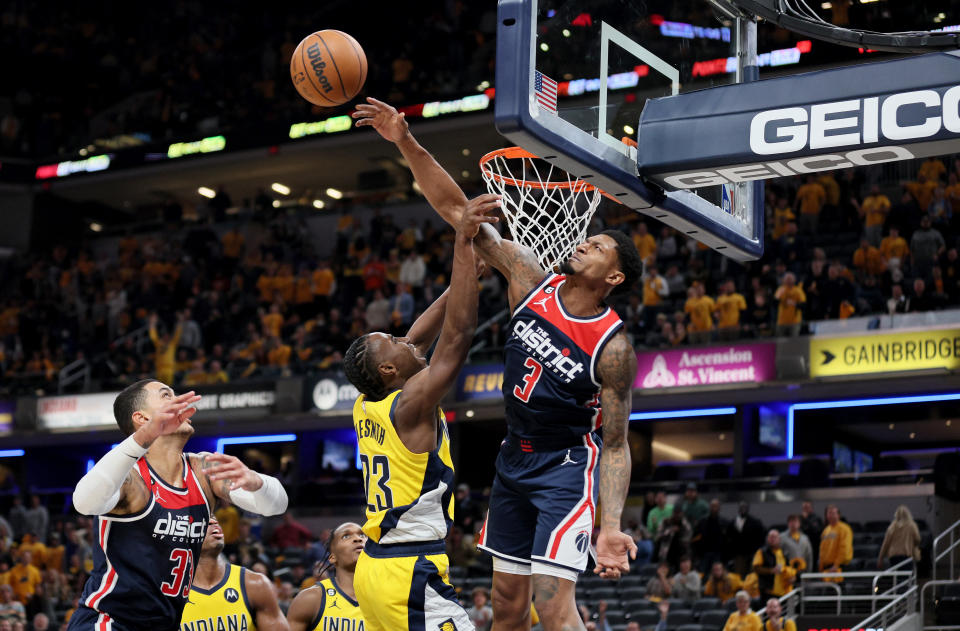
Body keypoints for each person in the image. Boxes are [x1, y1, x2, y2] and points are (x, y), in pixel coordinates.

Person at [356, 97, 641, 630]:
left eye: (598, 246)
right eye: (589, 237)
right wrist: (404, 140)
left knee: (553, 610)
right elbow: (458, 213)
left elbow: (618, 443)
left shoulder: (613, 345)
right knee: (507, 610)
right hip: (512, 461)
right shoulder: (530, 278)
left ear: (614, 277)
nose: (584, 242)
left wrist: (611, 525)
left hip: (564, 467)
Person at [344, 199, 487, 631]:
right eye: (392, 340)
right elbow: (458, 338)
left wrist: (456, 285)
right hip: (408, 570)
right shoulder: (409, 407)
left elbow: (416, 342)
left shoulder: (368, 402)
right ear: (388, 370)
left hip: (376, 569)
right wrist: (462, 245)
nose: (404, 340)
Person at [68, 381, 288, 631]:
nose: (182, 403)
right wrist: (143, 437)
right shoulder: (129, 476)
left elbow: (276, 505)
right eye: (166, 396)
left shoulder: (203, 470)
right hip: (109, 622)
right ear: (141, 418)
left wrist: (257, 482)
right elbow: (84, 502)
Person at [180, 518, 287, 631]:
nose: (213, 521)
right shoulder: (166, 595)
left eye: (213, 517)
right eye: (202, 517)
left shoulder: (255, 584)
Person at [286, 522, 367, 631]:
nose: (358, 539)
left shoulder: (387, 597)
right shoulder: (311, 599)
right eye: (346, 536)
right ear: (332, 557)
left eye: (362, 535)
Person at [751, 530, 795, 601]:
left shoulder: (784, 553)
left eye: (775, 537)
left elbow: (789, 569)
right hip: (768, 591)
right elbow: (756, 568)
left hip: (783, 592)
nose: (772, 539)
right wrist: (771, 571)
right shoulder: (762, 552)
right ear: (767, 539)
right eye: (770, 537)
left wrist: (792, 577)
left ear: (779, 539)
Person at [877, 505, 921, 571]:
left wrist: (880, 558)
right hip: (906, 554)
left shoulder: (892, 527)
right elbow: (917, 540)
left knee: (896, 577)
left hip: (894, 556)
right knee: (906, 577)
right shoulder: (912, 525)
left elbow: (885, 544)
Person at [728, 502, 765, 577]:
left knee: (752, 573)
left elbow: (761, 537)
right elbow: (729, 538)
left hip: (752, 552)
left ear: (748, 509)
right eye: (741, 507)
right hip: (738, 553)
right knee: (739, 574)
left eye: (745, 507)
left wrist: (758, 550)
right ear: (738, 509)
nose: (743, 509)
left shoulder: (755, 522)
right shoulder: (732, 522)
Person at [819, 505, 853, 581]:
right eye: (829, 513)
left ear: (838, 515)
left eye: (833, 513)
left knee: (839, 590)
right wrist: (821, 568)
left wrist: (836, 565)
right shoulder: (825, 531)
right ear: (826, 515)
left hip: (839, 567)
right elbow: (822, 550)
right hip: (827, 568)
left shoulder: (844, 529)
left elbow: (844, 548)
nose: (831, 515)